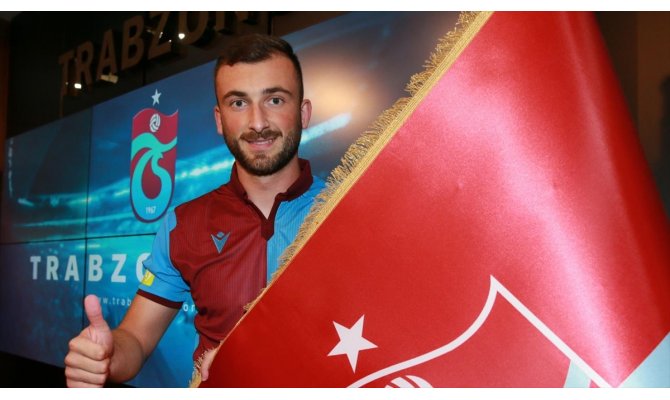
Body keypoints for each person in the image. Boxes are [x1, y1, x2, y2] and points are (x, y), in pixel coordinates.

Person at [64, 33, 325, 387]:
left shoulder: (351, 207)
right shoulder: (183, 224)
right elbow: (136, 339)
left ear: (303, 112)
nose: (257, 122)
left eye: (275, 99)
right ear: (219, 119)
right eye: (238, 103)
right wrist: (107, 358)